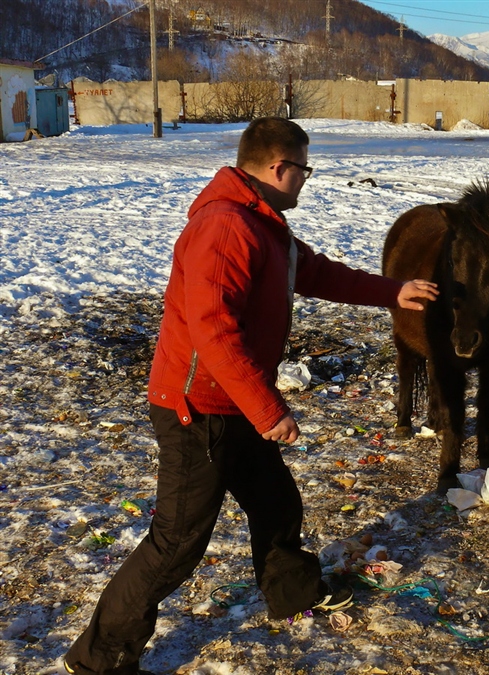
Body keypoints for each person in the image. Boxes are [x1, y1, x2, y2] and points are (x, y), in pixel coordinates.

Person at [62, 117, 439, 675]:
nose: (306, 181)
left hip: (232, 397)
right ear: (279, 168)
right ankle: (98, 659)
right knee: (176, 543)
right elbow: (213, 331)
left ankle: (293, 592)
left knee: (276, 502)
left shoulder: (264, 223)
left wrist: (392, 290)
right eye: (304, 170)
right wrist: (269, 408)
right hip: (198, 408)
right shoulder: (225, 227)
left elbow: (313, 273)